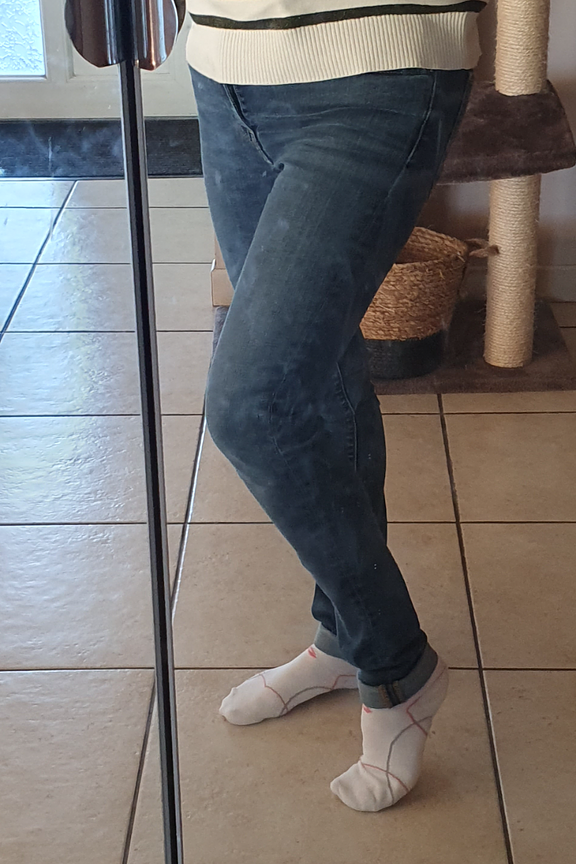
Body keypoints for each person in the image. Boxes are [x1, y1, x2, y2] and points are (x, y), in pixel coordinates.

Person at [187, 0, 484, 812]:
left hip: (374, 63)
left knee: (254, 401)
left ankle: (397, 667)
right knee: (321, 375)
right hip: (223, 64)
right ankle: (344, 637)